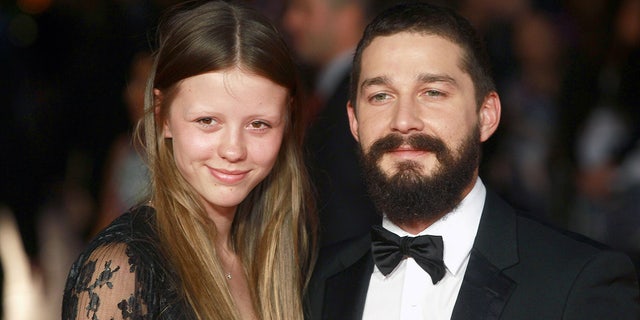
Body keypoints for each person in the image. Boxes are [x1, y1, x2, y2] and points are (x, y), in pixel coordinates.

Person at [304, 3, 639, 319]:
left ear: (486, 116)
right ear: (354, 122)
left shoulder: (579, 282)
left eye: (433, 92)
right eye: (381, 96)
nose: (403, 120)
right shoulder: (319, 283)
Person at [62, 1, 317, 319]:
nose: (233, 150)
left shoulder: (278, 255)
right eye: (207, 121)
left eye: (258, 124)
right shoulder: (123, 268)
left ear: (287, 121)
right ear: (162, 116)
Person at [282, 0, 381, 247]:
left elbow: (348, 205)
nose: (290, 21)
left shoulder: (363, 94)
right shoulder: (333, 90)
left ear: (348, 15)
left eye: (304, 10)